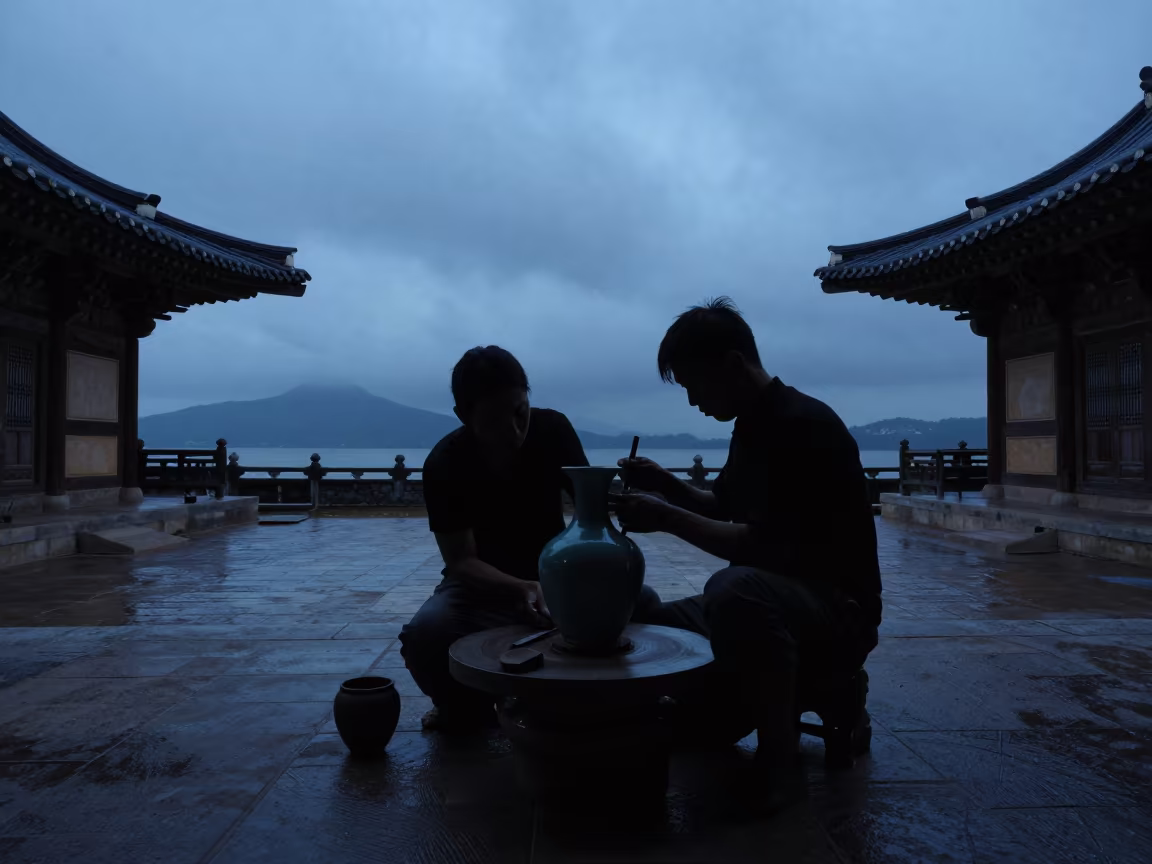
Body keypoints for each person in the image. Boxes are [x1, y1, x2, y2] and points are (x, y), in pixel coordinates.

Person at [611, 297, 882, 811]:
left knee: (732, 590)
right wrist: (664, 484)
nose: (693, 401)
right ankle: (717, 709)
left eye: (695, 384)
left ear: (733, 364)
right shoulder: (753, 423)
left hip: (836, 607)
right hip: (778, 596)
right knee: (642, 613)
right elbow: (722, 504)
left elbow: (759, 542)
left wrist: (664, 517)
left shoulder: (805, 425)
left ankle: (776, 761)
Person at [399, 345, 591, 732]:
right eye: (494, 419)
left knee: (641, 605)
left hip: (556, 576)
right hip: (479, 588)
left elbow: (590, 511)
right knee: (426, 633)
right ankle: (459, 706)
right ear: (463, 415)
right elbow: (461, 561)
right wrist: (519, 587)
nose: (514, 430)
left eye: (520, 412)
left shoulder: (554, 431)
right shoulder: (445, 463)